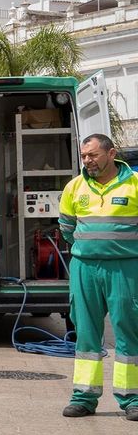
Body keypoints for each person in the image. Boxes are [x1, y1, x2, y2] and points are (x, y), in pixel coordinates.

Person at [58, 133, 138, 419]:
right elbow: (67, 227)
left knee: (128, 330)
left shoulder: (134, 185)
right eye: (84, 156)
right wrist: (88, 248)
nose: (87, 160)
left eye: (92, 155)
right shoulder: (74, 187)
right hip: (85, 268)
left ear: (111, 153)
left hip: (126, 268)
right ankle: (84, 397)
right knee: (86, 332)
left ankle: (132, 400)